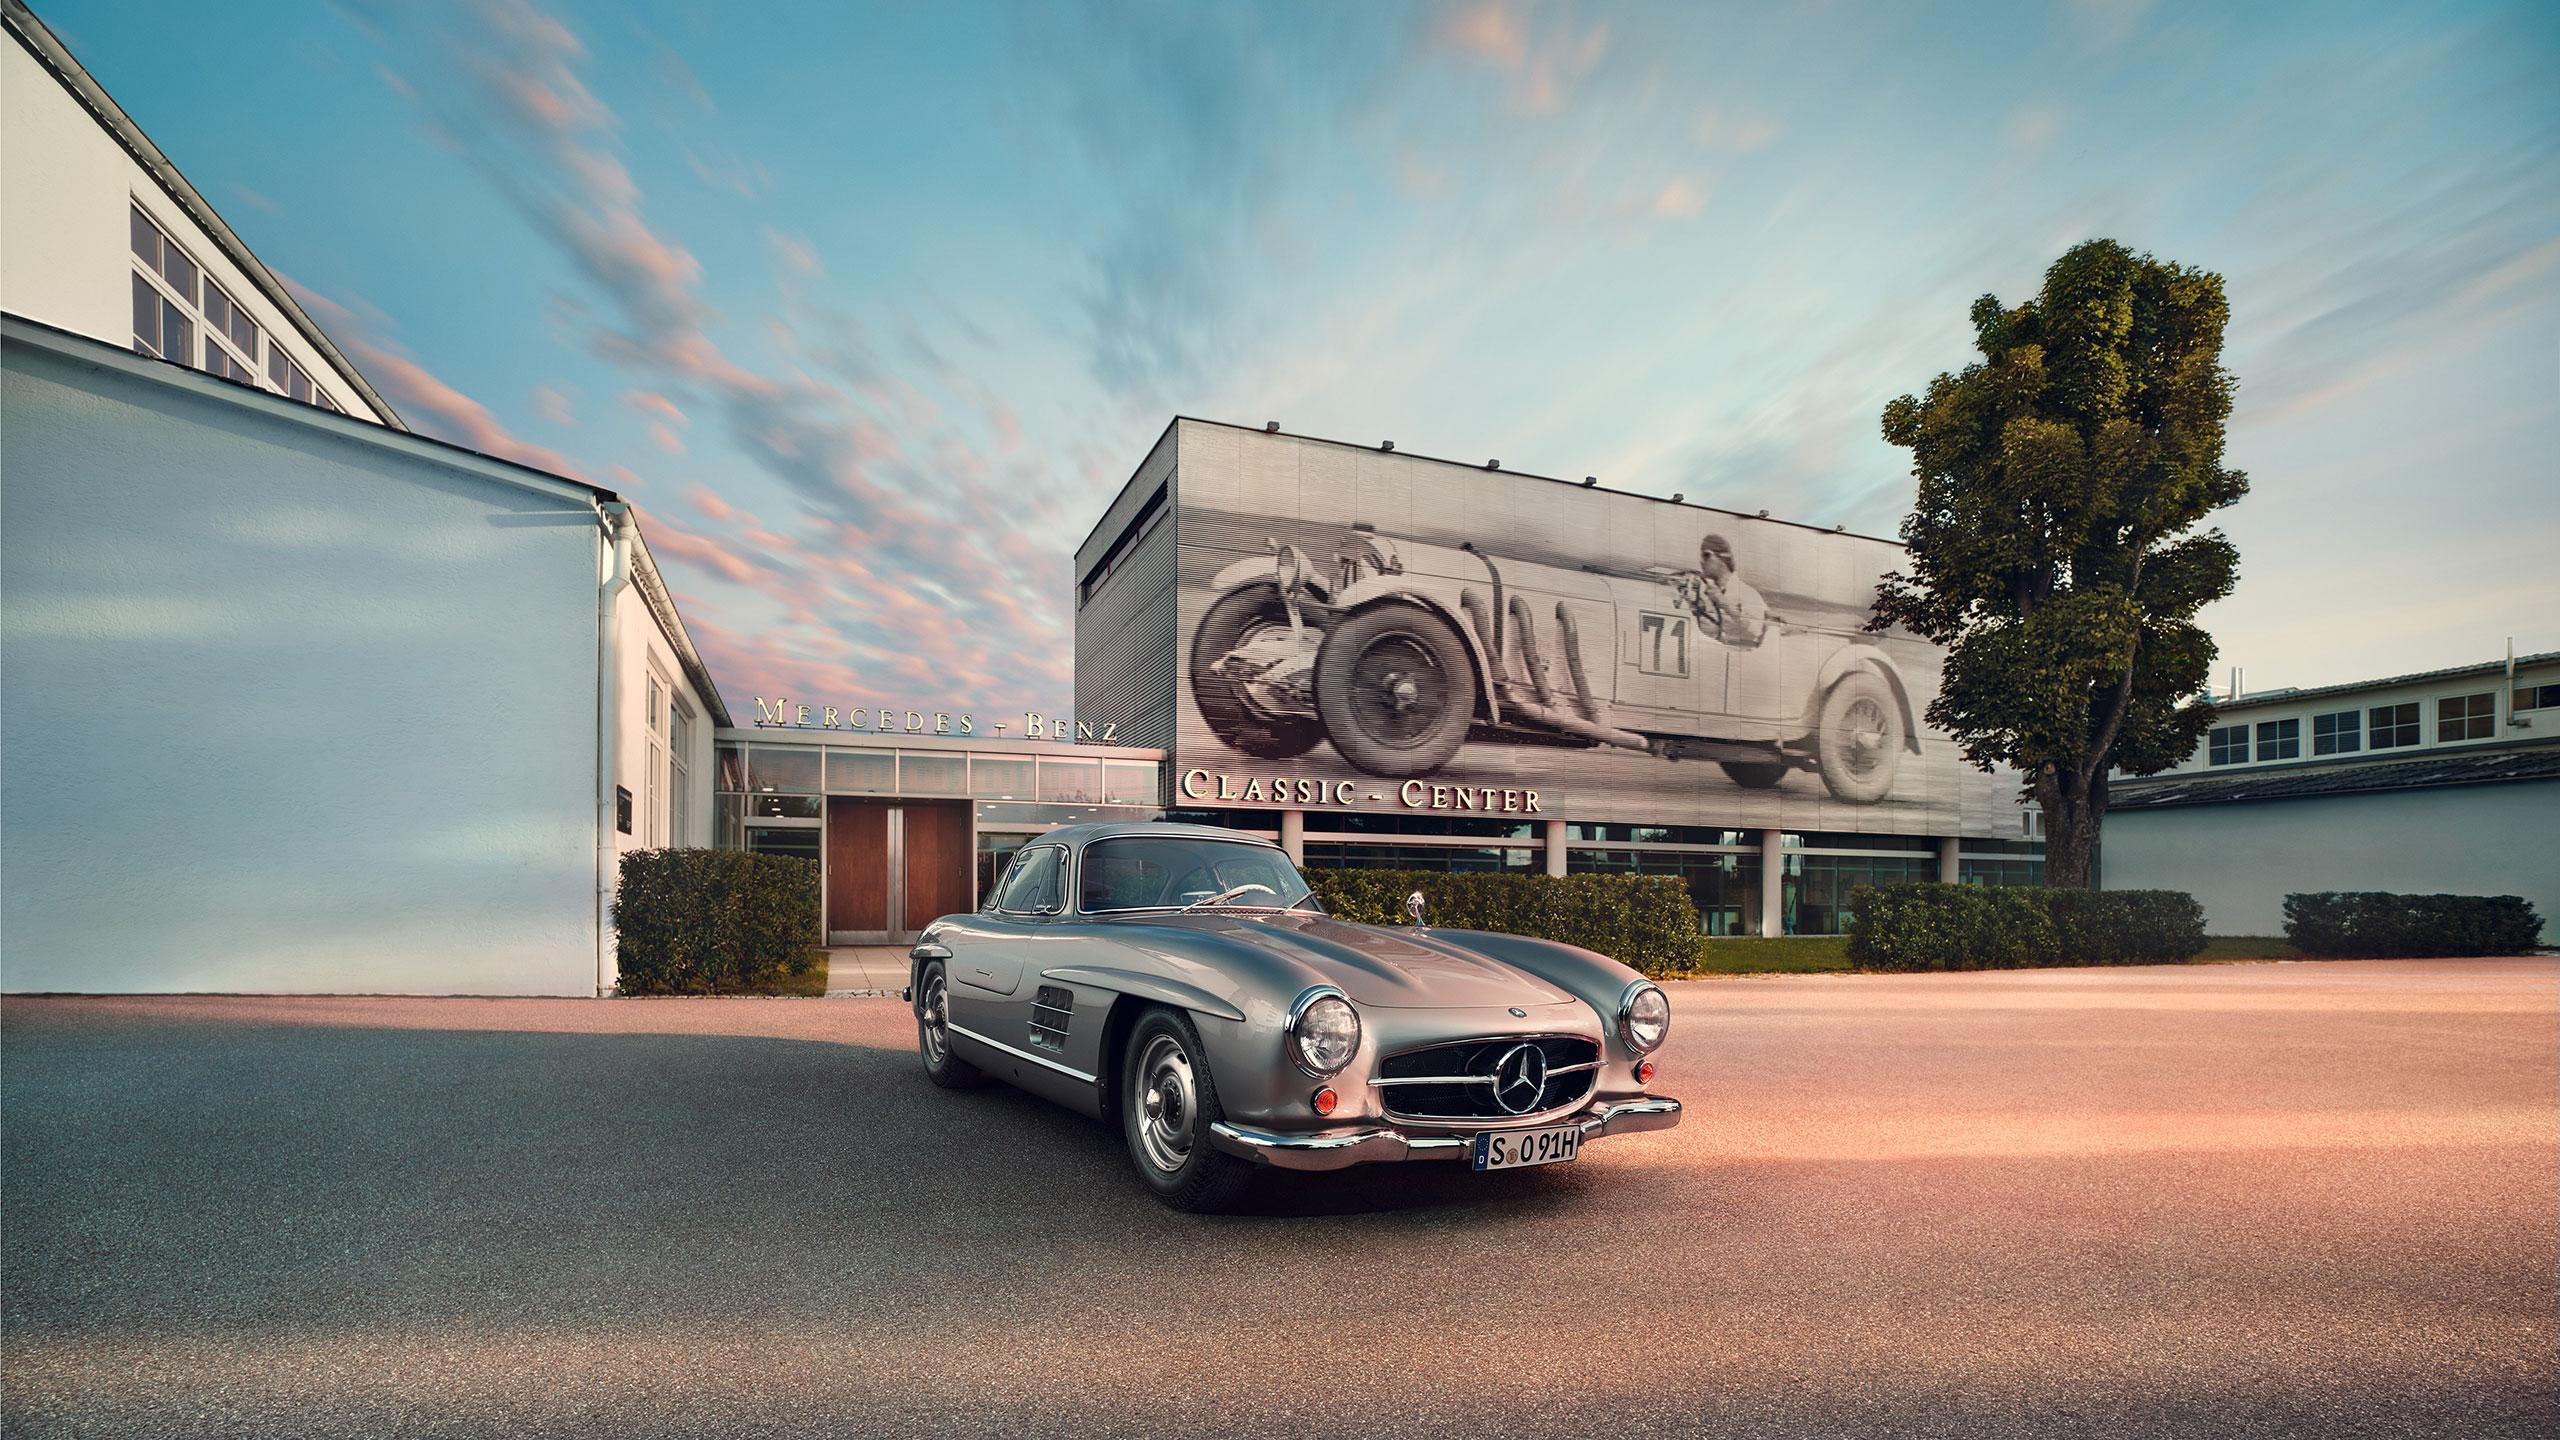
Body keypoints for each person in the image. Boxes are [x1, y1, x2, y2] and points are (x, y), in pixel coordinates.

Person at [1686, 533, 1769, 646]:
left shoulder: (1747, 593)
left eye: (1706, 555)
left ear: (1723, 558)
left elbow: (1755, 631)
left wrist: (1724, 603)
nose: (1702, 561)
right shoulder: (1708, 592)